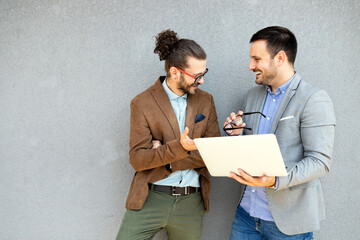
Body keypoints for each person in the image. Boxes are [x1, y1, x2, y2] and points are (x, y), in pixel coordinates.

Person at [223, 26, 336, 239]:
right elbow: (251, 149)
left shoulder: (314, 99)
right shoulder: (252, 96)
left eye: (257, 59)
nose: (250, 66)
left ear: (280, 58)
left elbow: (320, 161)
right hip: (246, 215)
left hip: (288, 224)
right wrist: (235, 136)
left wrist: (275, 180)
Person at [116, 29, 220, 240]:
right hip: (150, 198)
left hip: (191, 203)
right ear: (175, 72)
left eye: (204, 73)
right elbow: (138, 160)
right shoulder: (142, 103)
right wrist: (183, 148)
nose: (202, 81)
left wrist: (165, 156)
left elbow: (213, 153)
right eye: (197, 76)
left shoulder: (206, 101)